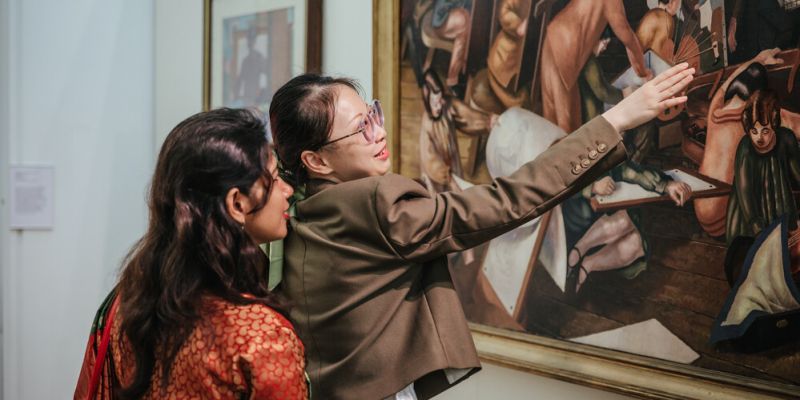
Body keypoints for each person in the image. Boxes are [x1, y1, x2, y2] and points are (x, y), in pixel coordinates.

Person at [268, 63, 694, 400]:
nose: (378, 132)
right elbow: (507, 200)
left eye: (372, 114)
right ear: (317, 161)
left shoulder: (295, 208)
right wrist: (616, 119)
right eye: (361, 128)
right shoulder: (377, 204)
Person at [73, 108, 306, 399]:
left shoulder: (130, 304)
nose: (287, 190)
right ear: (236, 203)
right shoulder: (260, 336)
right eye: (273, 179)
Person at [540, 0, 650, 133]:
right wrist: (643, 73)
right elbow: (629, 39)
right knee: (569, 127)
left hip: (553, 35)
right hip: (566, 47)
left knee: (553, 119)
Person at [726, 89, 800, 244]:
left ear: (774, 124)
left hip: (781, 205)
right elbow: (745, 191)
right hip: (750, 213)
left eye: (765, 130)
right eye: (753, 131)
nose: (759, 137)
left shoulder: (786, 138)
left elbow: (797, 173)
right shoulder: (745, 147)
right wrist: (757, 227)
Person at [419, 69, 496, 193]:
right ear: (427, 101)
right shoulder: (427, 125)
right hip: (438, 179)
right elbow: (430, 160)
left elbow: (466, 115)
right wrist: (449, 179)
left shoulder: (446, 105)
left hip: (453, 169)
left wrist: (488, 121)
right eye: (434, 102)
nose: (439, 106)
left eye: (440, 100)